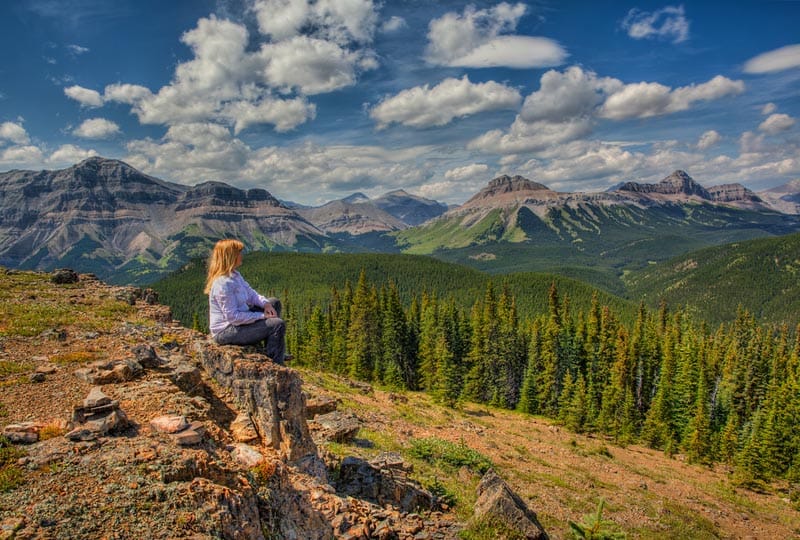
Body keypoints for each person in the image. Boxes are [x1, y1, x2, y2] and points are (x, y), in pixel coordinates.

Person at [204, 239, 289, 364]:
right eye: (239, 252)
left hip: (239, 321)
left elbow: (251, 294)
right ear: (231, 256)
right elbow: (233, 317)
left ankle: (274, 349)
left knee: (274, 303)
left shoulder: (235, 275)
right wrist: (261, 316)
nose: (241, 255)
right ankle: (276, 364)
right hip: (226, 331)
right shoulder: (223, 285)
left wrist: (266, 304)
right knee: (277, 324)